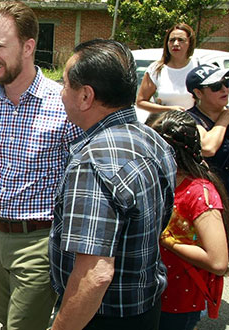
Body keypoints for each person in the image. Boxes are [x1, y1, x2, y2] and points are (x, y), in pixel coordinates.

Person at [0, 2, 81, 329]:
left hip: (39, 240)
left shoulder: (63, 105)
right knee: (6, 319)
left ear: (28, 46)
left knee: (20, 326)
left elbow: (85, 178)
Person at [50, 39, 177, 330]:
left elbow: (95, 274)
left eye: (66, 84)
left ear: (86, 96)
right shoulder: (153, 139)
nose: (61, 93)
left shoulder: (93, 162)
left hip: (101, 317)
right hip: (144, 308)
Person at [150, 110, 228, 330]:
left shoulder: (200, 194)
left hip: (180, 301)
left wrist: (166, 240)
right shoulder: (160, 181)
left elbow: (218, 262)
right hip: (154, 292)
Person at [136, 23, 197, 124]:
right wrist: (169, 109)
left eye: (181, 40)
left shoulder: (197, 67)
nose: (176, 44)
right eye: (172, 40)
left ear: (190, 43)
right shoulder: (155, 69)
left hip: (191, 126)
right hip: (162, 126)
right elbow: (140, 102)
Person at [185, 64, 229, 191]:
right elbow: (208, 148)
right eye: (216, 86)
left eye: (226, 83)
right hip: (211, 194)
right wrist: (224, 119)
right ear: (198, 93)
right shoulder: (189, 119)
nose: (224, 89)